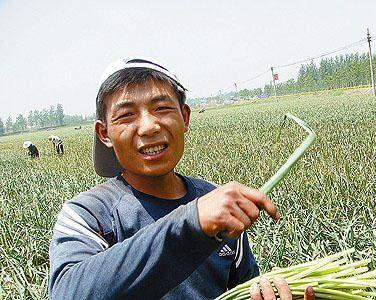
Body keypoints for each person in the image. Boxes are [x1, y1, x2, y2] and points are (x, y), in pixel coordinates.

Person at [48, 57, 314, 300]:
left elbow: (244, 287)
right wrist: (193, 222)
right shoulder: (89, 215)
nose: (149, 126)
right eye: (127, 115)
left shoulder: (220, 205)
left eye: (161, 108)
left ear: (185, 117)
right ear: (104, 133)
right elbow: (68, 292)